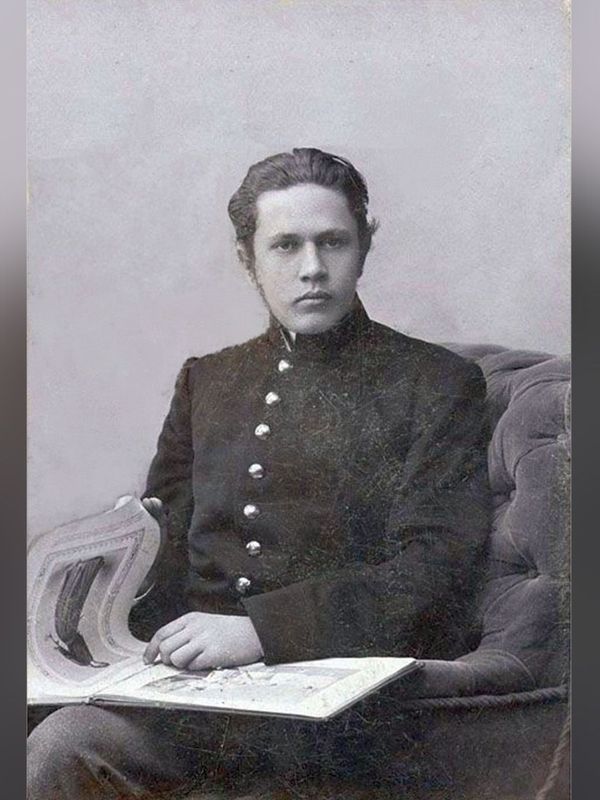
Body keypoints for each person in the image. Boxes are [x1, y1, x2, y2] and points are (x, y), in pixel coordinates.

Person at [27, 148, 490, 799]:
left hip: (336, 710)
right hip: (191, 702)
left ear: (365, 244)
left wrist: (259, 630)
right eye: (285, 246)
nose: (312, 268)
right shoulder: (209, 380)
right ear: (248, 258)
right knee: (53, 739)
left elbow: (435, 570)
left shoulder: (436, 384)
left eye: (333, 242)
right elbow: (166, 552)